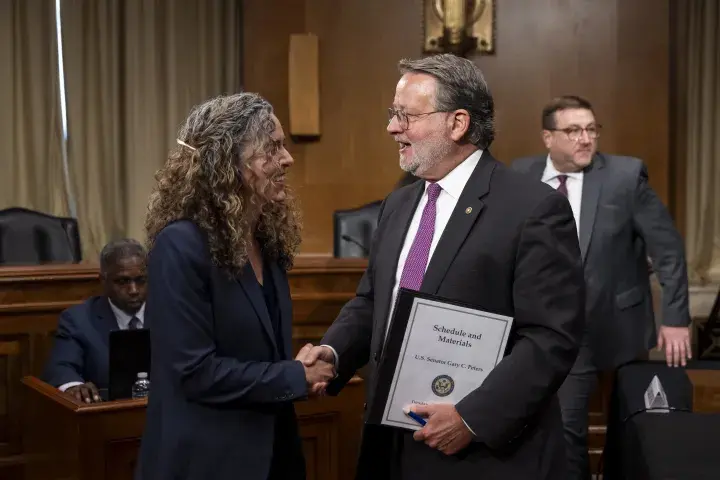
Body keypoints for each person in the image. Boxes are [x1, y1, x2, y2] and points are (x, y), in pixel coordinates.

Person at [302, 54, 585, 479]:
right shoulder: (399, 204)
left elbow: (550, 338)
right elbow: (375, 299)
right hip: (392, 444)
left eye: (405, 116)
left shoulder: (534, 208)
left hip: (483, 455)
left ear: (457, 123)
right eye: (392, 114)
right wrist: (334, 351)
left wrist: (472, 418)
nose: (391, 127)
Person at [135, 93, 335, 480]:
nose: (288, 159)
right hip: (206, 461)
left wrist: (299, 370)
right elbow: (193, 372)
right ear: (227, 162)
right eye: (272, 148)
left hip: (272, 454)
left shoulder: (267, 239)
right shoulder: (180, 245)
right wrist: (296, 376)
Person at [511, 95, 691, 480]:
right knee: (566, 429)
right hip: (544, 324)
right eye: (573, 130)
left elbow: (668, 251)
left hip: (610, 319)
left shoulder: (624, 177)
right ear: (548, 137)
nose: (585, 139)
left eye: (591, 129)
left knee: (616, 430)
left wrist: (676, 319)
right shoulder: (521, 175)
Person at [43, 238, 147, 403]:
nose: (133, 290)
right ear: (103, 281)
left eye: (141, 280)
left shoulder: (169, 312)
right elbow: (61, 367)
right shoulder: (78, 320)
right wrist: (74, 387)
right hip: (107, 416)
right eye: (123, 281)